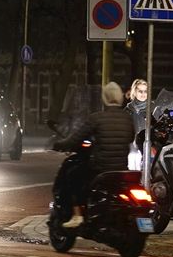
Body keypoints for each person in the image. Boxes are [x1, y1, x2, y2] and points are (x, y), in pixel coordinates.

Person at [53, 81, 134, 228]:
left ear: (105, 98)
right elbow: (131, 138)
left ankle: (77, 215)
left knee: (73, 175)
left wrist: (59, 144)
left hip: (101, 167)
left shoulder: (96, 118)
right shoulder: (127, 119)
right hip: (121, 168)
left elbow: (75, 139)